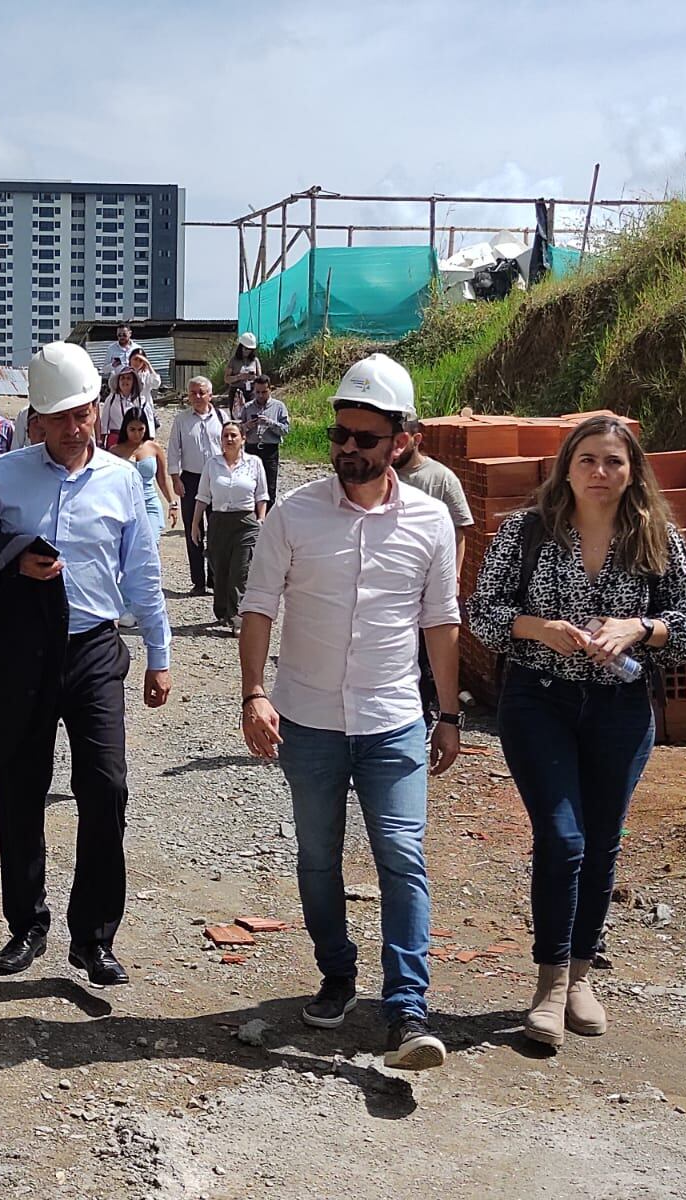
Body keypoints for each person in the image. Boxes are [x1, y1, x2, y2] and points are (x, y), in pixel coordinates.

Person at [238, 353, 462, 1071]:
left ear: (403, 439)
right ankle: (337, 973)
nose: (348, 449)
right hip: (307, 721)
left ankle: (406, 1010)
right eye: (341, 434)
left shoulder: (430, 522)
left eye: (366, 437)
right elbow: (258, 607)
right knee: (316, 859)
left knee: (403, 857)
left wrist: (449, 714)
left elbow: (441, 622)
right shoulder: (295, 516)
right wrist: (253, 693)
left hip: (394, 720)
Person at [467, 414, 686, 1049]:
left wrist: (639, 628)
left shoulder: (655, 538)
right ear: (566, 468)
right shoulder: (527, 532)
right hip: (539, 701)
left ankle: (580, 976)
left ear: (633, 473)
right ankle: (547, 983)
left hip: (621, 708)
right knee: (562, 836)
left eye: (614, 462)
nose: (601, 473)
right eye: (588, 461)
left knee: (601, 842)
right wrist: (539, 628)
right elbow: (483, 615)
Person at [0, 341, 172, 988]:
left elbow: (144, 573)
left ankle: (93, 938)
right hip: (21, 648)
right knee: (19, 793)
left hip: (96, 648)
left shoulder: (123, 480)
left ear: (97, 409)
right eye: (61, 417)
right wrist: (14, 560)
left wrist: (160, 655)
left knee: (107, 787)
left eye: (84, 413)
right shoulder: (5, 476)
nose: (75, 428)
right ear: (37, 420)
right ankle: (26, 925)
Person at [393, 415, 476, 719]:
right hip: (391, 581)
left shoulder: (441, 478)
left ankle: (425, 713)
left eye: (401, 441)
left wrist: (453, 576)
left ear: (416, 440)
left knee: (427, 651)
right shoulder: (381, 474)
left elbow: (460, 530)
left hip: (429, 582)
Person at [190, 421, 267, 632]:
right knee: (220, 570)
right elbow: (203, 496)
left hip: (246, 522)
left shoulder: (255, 463)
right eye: (226, 436)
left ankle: (237, 616)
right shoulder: (212, 464)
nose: (229, 439)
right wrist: (195, 523)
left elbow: (261, 495)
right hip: (219, 521)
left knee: (240, 571)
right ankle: (223, 611)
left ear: (243, 439)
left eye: (234, 435)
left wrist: (260, 520)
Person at [165, 377, 225, 595]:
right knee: (194, 529)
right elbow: (173, 450)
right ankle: (198, 581)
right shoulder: (181, 420)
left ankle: (216, 579)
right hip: (190, 479)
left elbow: (231, 445)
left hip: (218, 479)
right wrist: (175, 478)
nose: (197, 397)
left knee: (217, 529)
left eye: (201, 392)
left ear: (210, 394)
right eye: (193, 393)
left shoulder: (221, 417)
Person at [110, 406, 178, 539]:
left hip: (150, 503)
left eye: (141, 429)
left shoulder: (154, 448)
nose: (137, 434)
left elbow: (163, 479)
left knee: (151, 543)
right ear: (125, 429)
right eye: (132, 429)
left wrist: (172, 503)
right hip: (126, 506)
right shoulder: (115, 452)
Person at [239, 376, 291, 504]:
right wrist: (247, 426)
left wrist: (270, 423)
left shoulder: (279, 407)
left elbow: (285, 430)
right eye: (257, 392)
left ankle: (269, 519)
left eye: (264, 392)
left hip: (270, 451)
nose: (261, 395)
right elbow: (237, 431)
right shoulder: (247, 407)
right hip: (251, 450)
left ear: (270, 390)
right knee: (249, 485)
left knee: (270, 487)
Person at [97, 366, 158, 448]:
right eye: (122, 378)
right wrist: (101, 442)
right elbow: (104, 422)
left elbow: (150, 425)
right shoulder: (111, 399)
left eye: (129, 378)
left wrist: (149, 445)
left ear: (134, 382)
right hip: (115, 440)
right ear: (118, 381)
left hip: (136, 440)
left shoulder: (142, 401)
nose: (125, 381)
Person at [224, 332, 263, 415]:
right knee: (237, 417)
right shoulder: (233, 361)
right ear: (241, 347)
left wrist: (253, 378)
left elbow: (260, 378)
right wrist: (239, 377)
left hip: (251, 392)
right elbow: (226, 379)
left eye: (250, 350)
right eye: (245, 349)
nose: (247, 351)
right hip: (236, 393)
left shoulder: (255, 361)